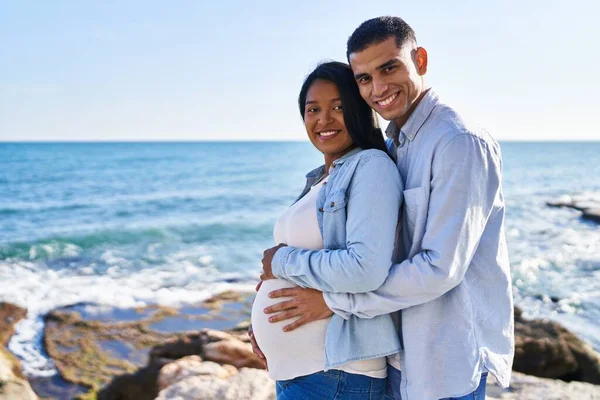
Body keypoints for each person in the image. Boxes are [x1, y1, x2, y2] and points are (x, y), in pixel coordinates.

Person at [255, 16, 515, 400]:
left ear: (420, 61)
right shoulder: (395, 146)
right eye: (364, 78)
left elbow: (439, 269)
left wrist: (332, 302)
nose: (378, 88)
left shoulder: (458, 142)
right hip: (399, 356)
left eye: (389, 67)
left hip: (444, 361)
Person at [250, 61, 404, 399]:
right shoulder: (320, 179)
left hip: (337, 376)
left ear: (361, 109)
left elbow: (365, 268)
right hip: (307, 375)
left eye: (338, 107)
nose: (323, 119)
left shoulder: (371, 167)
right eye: (312, 109)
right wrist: (259, 322)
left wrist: (281, 262)